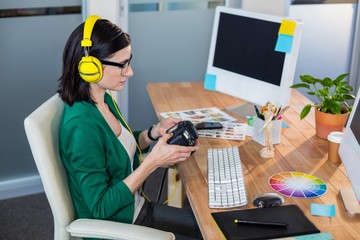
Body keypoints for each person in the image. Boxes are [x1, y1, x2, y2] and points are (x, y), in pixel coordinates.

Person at [58, 15, 202, 240]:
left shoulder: (102, 99)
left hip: (135, 208)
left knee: (214, 229)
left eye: (129, 61)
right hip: (118, 225)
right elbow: (100, 207)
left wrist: (153, 132)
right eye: (122, 65)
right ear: (90, 67)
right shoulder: (81, 127)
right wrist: (153, 162)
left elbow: (117, 148)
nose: (130, 72)